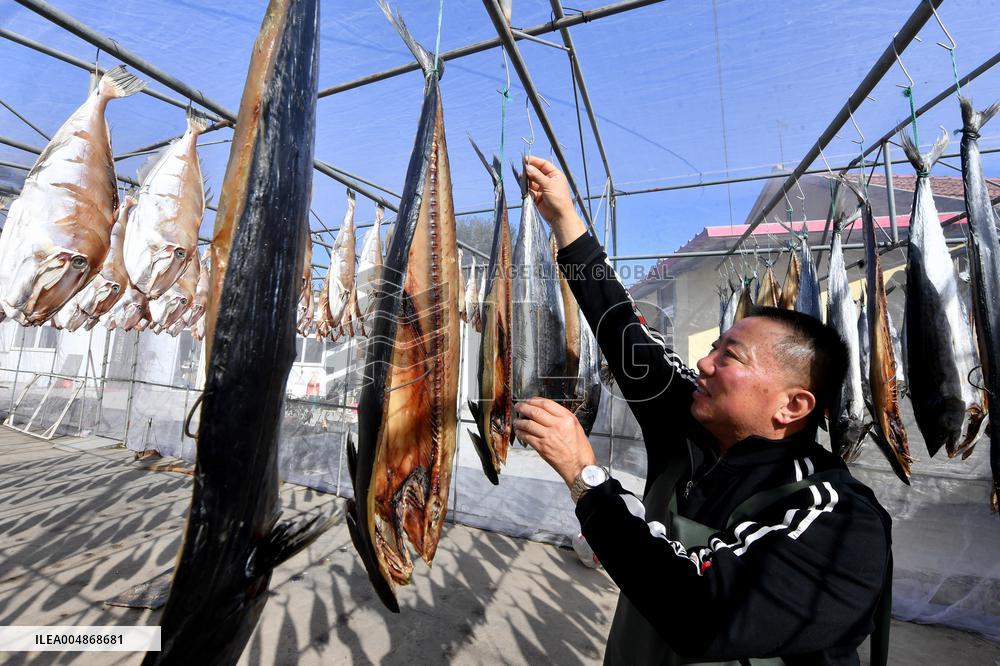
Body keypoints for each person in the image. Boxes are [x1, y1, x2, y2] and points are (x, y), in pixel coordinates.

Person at [515, 155, 893, 666]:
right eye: (713, 346)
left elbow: (706, 613)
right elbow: (618, 321)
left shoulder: (843, 524)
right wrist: (564, 218)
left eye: (728, 356)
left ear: (793, 405)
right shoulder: (688, 420)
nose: (702, 362)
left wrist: (588, 479)